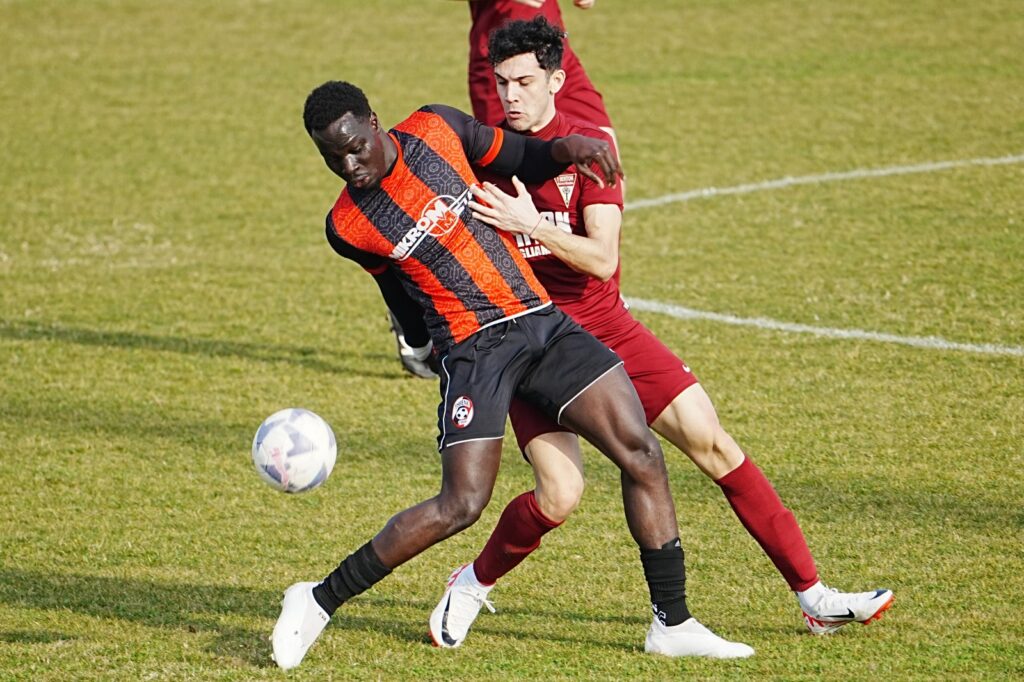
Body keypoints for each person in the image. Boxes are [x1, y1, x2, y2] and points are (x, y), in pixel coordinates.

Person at [422, 16, 894, 649]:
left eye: (526, 82)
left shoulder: (589, 150)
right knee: (560, 494)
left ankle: (814, 597)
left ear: (557, 80)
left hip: (606, 327)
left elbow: (601, 260)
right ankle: (473, 583)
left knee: (713, 443)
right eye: (502, 82)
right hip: (535, 341)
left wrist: (526, 223)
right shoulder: (484, 159)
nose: (511, 96)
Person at [270, 80, 754, 671]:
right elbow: (395, 289)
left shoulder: (436, 128)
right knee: (461, 504)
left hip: (542, 321)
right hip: (474, 352)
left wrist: (569, 146)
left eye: (354, 147)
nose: (348, 165)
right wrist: (418, 347)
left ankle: (671, 623)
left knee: (642, 453)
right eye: (331, 157)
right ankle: (317, 601)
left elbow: (517, 155)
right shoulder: (347, 225)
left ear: (375, 122)